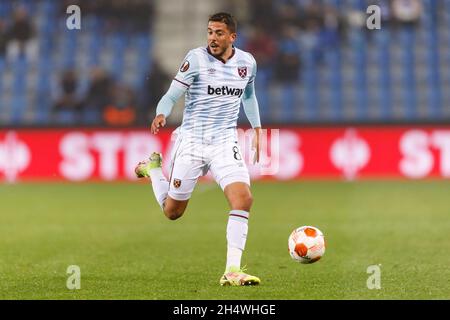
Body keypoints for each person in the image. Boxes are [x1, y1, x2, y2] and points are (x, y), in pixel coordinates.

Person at [135, 13, 262, 286]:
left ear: (232, 37)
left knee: (243, 199)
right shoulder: (195, 59)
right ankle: (154, 170)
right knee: (173, 212)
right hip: (192, 140)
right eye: (209, 32)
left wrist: (257, 128)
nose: (212, 38)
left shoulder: (247, 63)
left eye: (218, 33)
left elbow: (248, 96)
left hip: (225, 141)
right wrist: (161, 114)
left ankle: (232, 270)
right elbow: (171, 95)